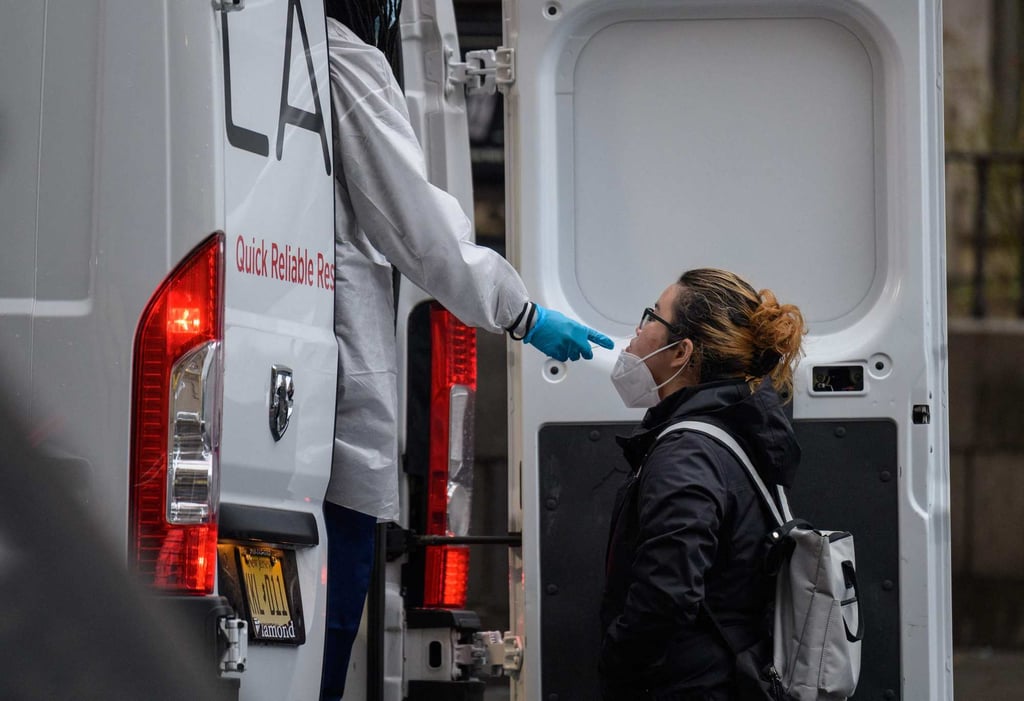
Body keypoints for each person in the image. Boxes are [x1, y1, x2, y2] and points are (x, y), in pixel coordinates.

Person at [321, 1, 614, 698]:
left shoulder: (307, 52)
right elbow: (420, 230)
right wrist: (523, 313)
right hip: (338, 425)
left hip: (314, 421)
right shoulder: (343, 57)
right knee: (327, 644)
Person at [600, 268, 805, 701]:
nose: (637, 332)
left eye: (652, 316)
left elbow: (666, 593)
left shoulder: (687, 452)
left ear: (682, 351)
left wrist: (617, 664)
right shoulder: (736, 432)